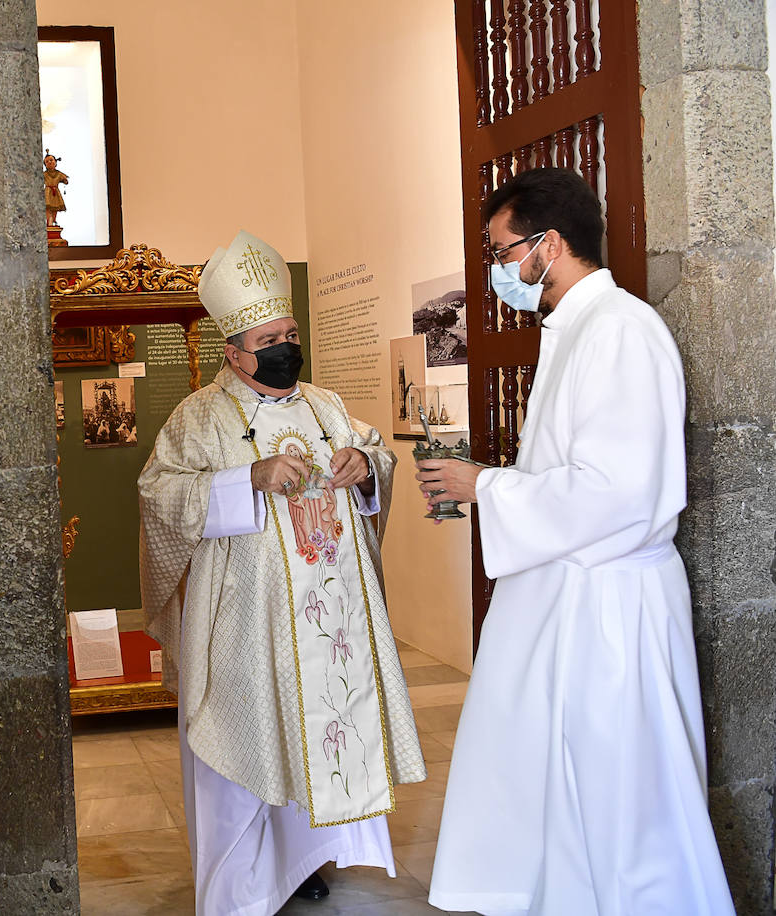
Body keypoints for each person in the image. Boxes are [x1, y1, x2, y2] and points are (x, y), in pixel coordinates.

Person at [417, 168, 736, 915]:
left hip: (612, 611)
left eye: (502, 251)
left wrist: (484, 487)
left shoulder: (622, 330)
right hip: (574, 601)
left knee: (624, 803)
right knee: (565, 789)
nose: (497, 271)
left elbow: (616, 492)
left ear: (548, 245)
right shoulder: (574, 329)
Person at [138, 230, 426, 915]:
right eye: (269, 338)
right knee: (247, 746)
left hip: (324, 619)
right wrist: (247, 479)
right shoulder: (198, 417)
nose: (285, 347)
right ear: (234, 351)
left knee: (308, 735)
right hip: (243, 620)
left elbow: (375, 458)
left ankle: (300, 863)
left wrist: (364, 472)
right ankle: (240, 886)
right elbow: (158, 494)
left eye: (290, 332)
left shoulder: (325, 407)